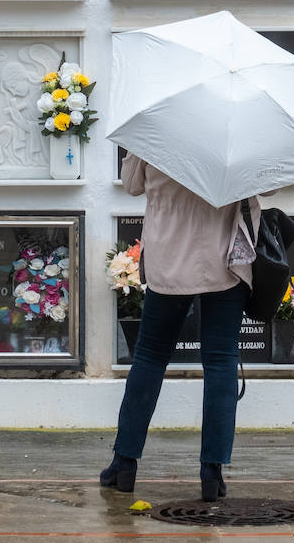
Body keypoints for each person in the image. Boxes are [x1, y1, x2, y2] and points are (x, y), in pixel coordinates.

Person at [101, 152, 262, 502]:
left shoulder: (157, 133)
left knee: (149, 358)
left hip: (168, 263)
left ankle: (124, 463)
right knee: (220, 362)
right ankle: (212, 473)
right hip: (225, 264)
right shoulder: (234, 134)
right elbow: (266, 187)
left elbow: (131, 186)